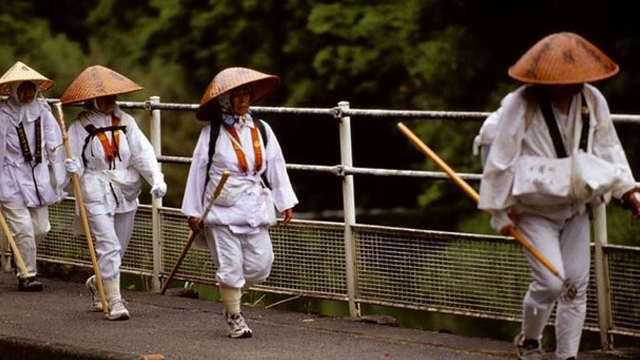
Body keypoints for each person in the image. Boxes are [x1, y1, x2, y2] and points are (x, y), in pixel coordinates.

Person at [478, 32, 640, 360]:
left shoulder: (592, 100)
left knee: (576, 287)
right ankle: (530, 340)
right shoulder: (520, 104)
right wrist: (499, 211)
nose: (570, 86)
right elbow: (500, 156)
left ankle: (567, 357)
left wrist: (630, 190)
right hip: (533, 210)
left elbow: (609, 147)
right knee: (552, 282)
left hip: (576, 207)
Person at [182, 67, 298, 338]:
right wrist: (193, 212)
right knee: (230, 266)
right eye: (237, 95)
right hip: (221, 210)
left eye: (246, 94)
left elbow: (276, 166)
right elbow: (198, 170)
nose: (243, 100)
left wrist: (285, 202)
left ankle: (229, 296)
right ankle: (234, 314)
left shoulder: (262, 130)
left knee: (261, 266)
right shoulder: (211, 134)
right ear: (225, 99)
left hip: (255, 205)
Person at [60, 65, 167, 320]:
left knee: (119, 248)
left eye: (113, 96)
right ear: (92, 99)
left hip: (125, 189)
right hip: (94, 189)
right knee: (107, 246)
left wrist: (156, 178)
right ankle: (115, 301)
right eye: (105, 97)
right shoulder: (78, 127)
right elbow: (69, 162)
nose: (111, 101)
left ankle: (98, 283)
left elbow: (142, 153)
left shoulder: (126, 122)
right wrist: (71, 167)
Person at [0, 61, 66, 291]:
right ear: (14, 90)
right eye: (22, 89)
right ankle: (27, 275)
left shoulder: (44, 112)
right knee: (24, 229)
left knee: (41, 228)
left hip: (38, 179)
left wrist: (61, 166)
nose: (27, 93)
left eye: (30, 88)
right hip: (10, 178)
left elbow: (55, 144)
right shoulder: (4, 114)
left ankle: (21, 256)